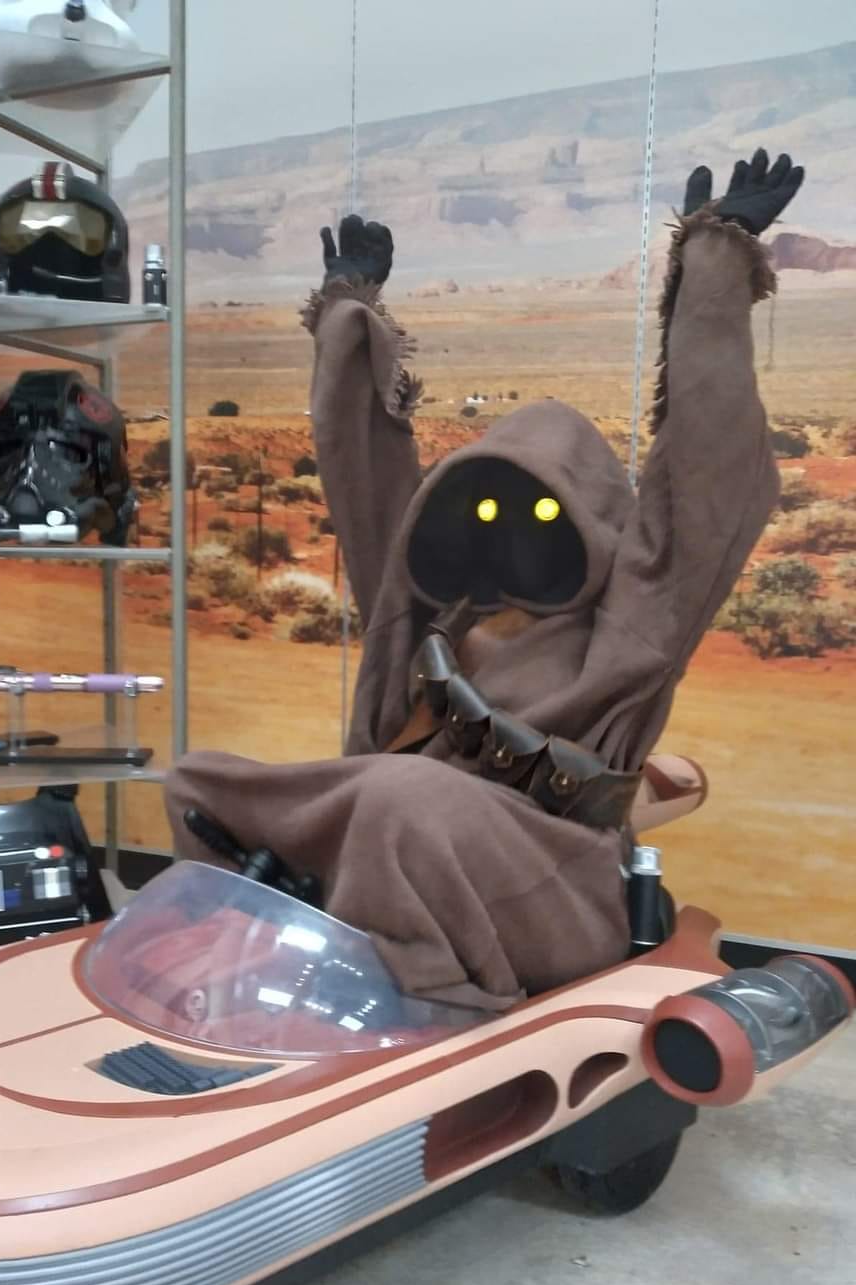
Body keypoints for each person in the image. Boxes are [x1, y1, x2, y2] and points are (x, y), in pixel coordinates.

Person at [165, 148, 803, 1012]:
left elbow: (706, 464)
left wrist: (715, 264)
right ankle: (237, 964)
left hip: (554, 880)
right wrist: (349, 312)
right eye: (489, 504)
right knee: (200, 786)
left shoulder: (632, 619)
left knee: (398, 801)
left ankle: (431, 1012)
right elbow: (366, 478)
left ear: (585, 515)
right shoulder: (431, 609)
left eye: (541, 508)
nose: (511, 529)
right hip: (413, 844)